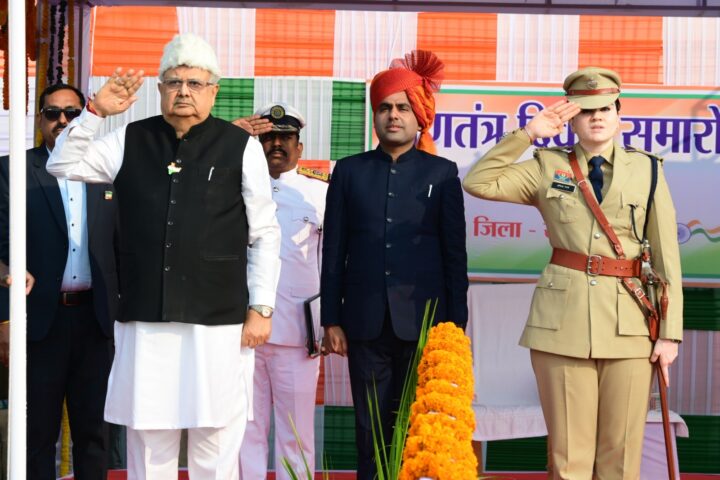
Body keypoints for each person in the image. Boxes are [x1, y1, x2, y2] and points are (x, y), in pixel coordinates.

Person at [46, 33, 281, 479]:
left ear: (214, 91)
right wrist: (95, 113)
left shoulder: (240, 145)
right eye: (174, 82)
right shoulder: (131, 138)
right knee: (150, 440)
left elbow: (265, 233)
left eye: (195, 83)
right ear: (159, 89)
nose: (184, 92)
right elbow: (62, 165)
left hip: (217, 321)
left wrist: (262, 307)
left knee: (215, 438)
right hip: (145, 320)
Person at [463, 67, 683, 479]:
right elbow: (479, 182)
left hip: (631, 323)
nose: (596, 117)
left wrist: (669, 333)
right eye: (585, 110)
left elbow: (667, 256)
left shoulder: (649, 170)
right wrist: (528, 134)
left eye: (605, 109)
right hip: (562, 325)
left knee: (621, 458)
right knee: (569, 459)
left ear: (619, 115)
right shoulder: (547, 165)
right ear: (571, 119)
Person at [320, 50, 468, 480]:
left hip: (425, 324)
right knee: (369, 430)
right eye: (385, 107)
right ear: (375, 116)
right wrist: (331, 319)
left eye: (403, 107)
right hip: (363, 323)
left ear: (419, 115)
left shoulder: (442, 173)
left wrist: (455, 327)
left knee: (418, 428)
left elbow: (454, 256)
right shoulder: (349, 172)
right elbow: (334, 251)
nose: (393, 115)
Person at [0, 83, 119, 479]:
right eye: (53, 113)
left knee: (96, 433)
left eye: (72, 112)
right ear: (40, 119)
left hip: (96, 321)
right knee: (36, 434)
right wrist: (5, 318)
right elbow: (1, 249)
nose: (63, 120)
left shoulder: (108, 168)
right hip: (39, 322)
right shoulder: (13, 170)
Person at [237, 103, 328, 479]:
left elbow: (332, 263)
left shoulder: (319, 194)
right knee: (245, 431)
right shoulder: (234, 187)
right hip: (242, 331)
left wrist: (328, 323)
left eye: (285, 137)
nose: (276, 144)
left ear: (299, 147)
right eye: (269, 137)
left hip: (297, 333)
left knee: (296, 432)